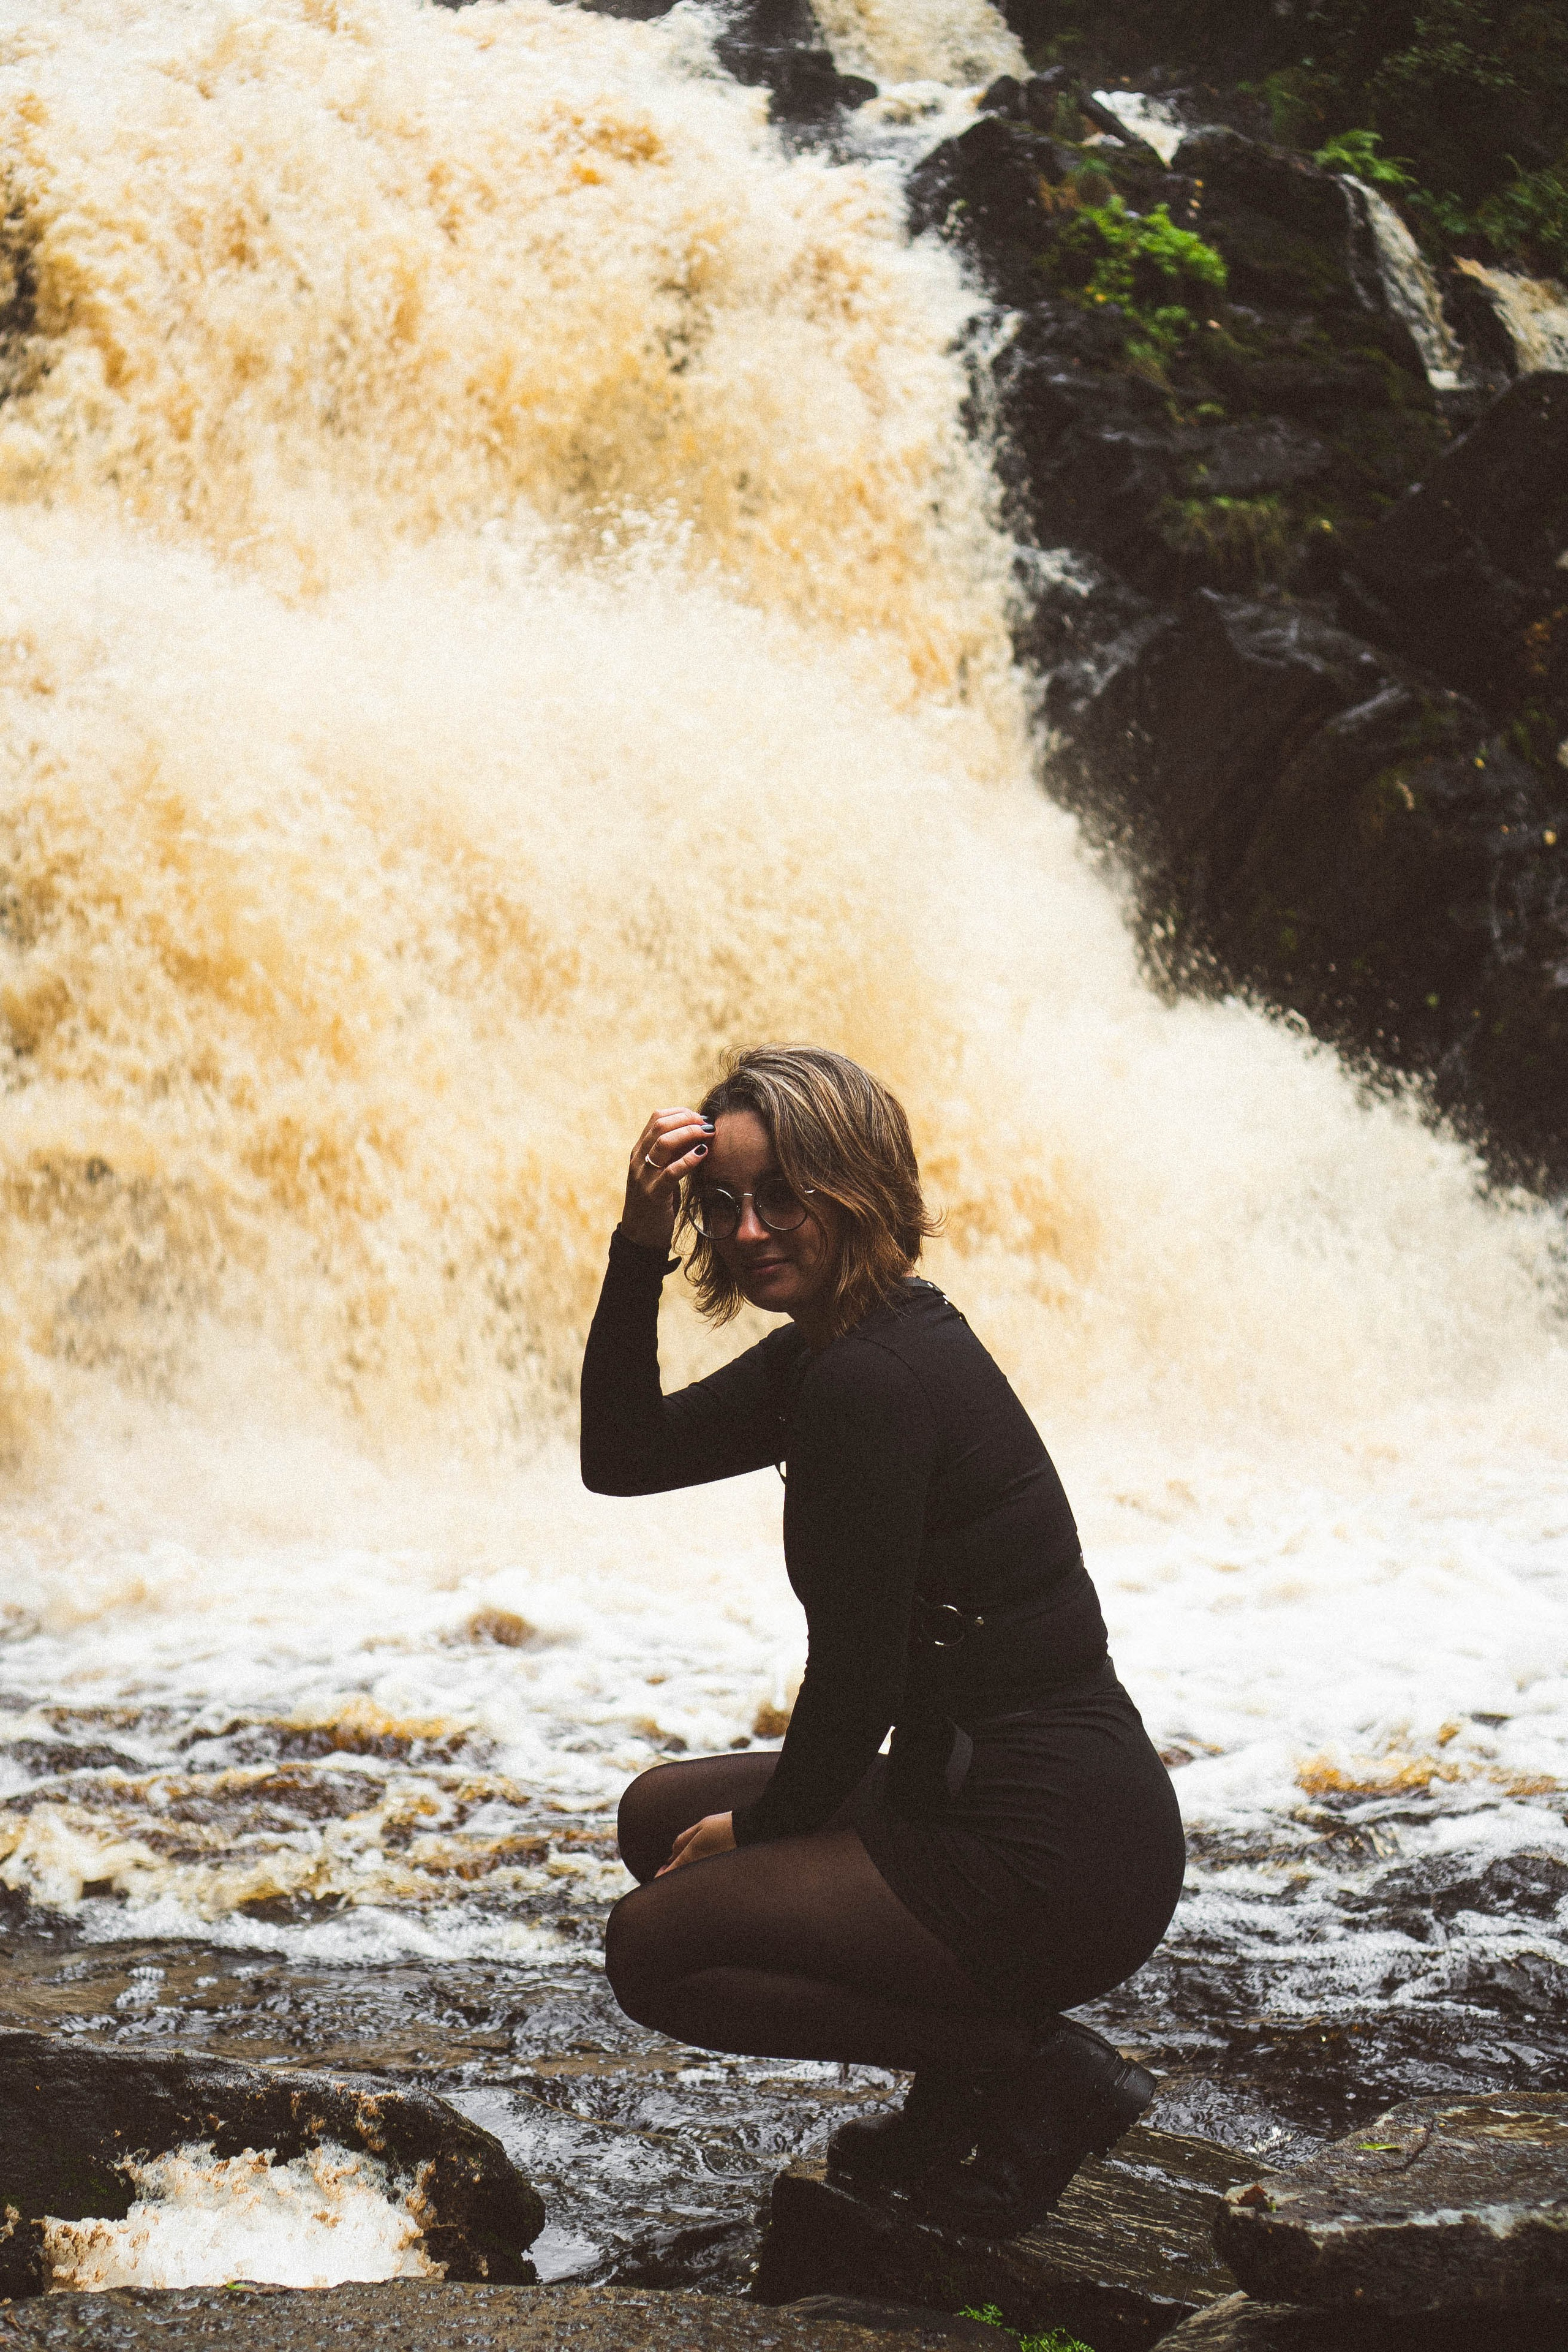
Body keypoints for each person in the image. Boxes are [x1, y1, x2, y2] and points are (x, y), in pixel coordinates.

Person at [579, 1046, 1185, 2235]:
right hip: (972, 1788)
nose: (746, 1231)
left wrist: (763, 1829)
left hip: (1053, 1848)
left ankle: (1025, 2070)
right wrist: (638, 1239)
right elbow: (623, 1457)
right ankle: (966, 2083)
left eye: (781, 1197)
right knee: (657, 1816)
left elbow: (858, 1681)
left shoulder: (870, 1379)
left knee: (653, 1946)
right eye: (720, 1204)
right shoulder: (836, 1345)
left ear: (854, 1188)